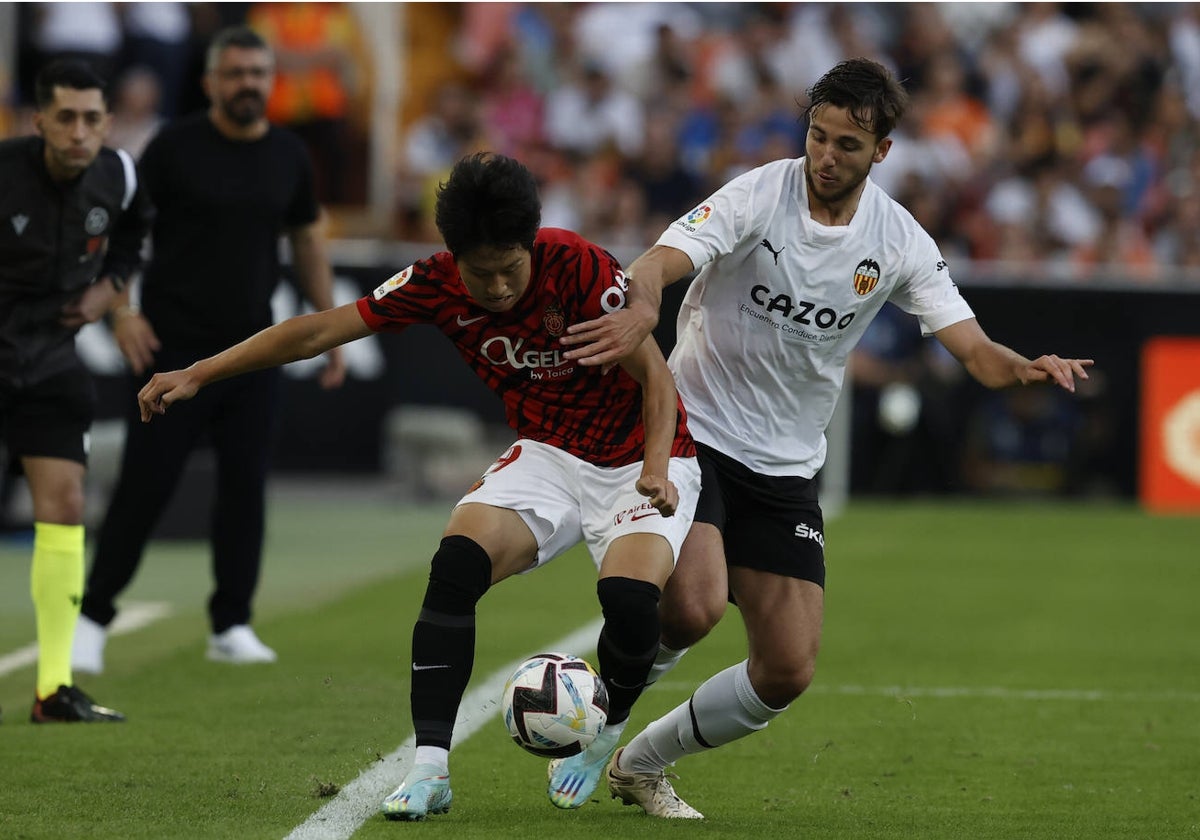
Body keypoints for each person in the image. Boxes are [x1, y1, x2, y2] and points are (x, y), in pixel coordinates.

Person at [558, 57, 1095, 819]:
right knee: (692, 609)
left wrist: (1024, 368)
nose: (825, 156)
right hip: (696, 431)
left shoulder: (899, 239)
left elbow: (973, 350)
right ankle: (596, 724)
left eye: (847, 143)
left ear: (882, 150)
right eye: (818, 136)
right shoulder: (757, 194)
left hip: (785, 467)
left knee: (786, 669)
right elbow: (659, 260)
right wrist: (644, 300)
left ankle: (640, 763)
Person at [133, 151, 701, 821]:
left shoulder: (579, 267)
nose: (494, 288)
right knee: (455, 565)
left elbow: (656, 378)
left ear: (531, 247)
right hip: (548, 454)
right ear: (452, 255)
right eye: (479, 272)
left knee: (632, 604)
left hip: (641, 453)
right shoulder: (432, 283)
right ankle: (429, 770)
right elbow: (317, 329)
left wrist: (656, 469)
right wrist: (199, 373)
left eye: (509, 270)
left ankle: (597, 740)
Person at [72, 25, 345, 673]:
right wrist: (123, 312)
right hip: (170, 351)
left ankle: (232, 624)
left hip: (255, 353)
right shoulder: (174, 148)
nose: (249, 83)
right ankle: (92, 619)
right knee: (144, 487)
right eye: (236, 73)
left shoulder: (289, 154)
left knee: (245, 490)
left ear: (271, 79)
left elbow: (307, 239)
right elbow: (121, 231)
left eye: (258, 72)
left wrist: (330, 328)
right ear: (210, 81)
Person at [0, 59, 152, 722]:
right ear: (38, 121)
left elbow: (132, 237)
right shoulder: (4, 172)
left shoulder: (118, 173)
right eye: (65, 117)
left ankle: (52, 688)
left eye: (92, 118)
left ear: (108, 123)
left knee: (64, 507)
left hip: (51, 360)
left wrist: (111, 294)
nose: (79, 131)